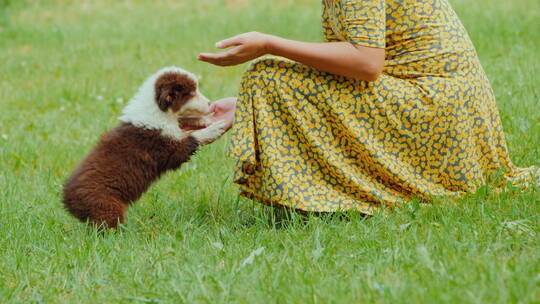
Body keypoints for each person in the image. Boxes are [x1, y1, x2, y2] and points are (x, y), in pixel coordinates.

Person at [195, 0, 538, 214]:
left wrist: (269, 44)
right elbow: (346, 78)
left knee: (267, 73)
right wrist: (249, 107)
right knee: (268, 80)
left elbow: (366, 63)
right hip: (448, 107)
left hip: (435, 105)